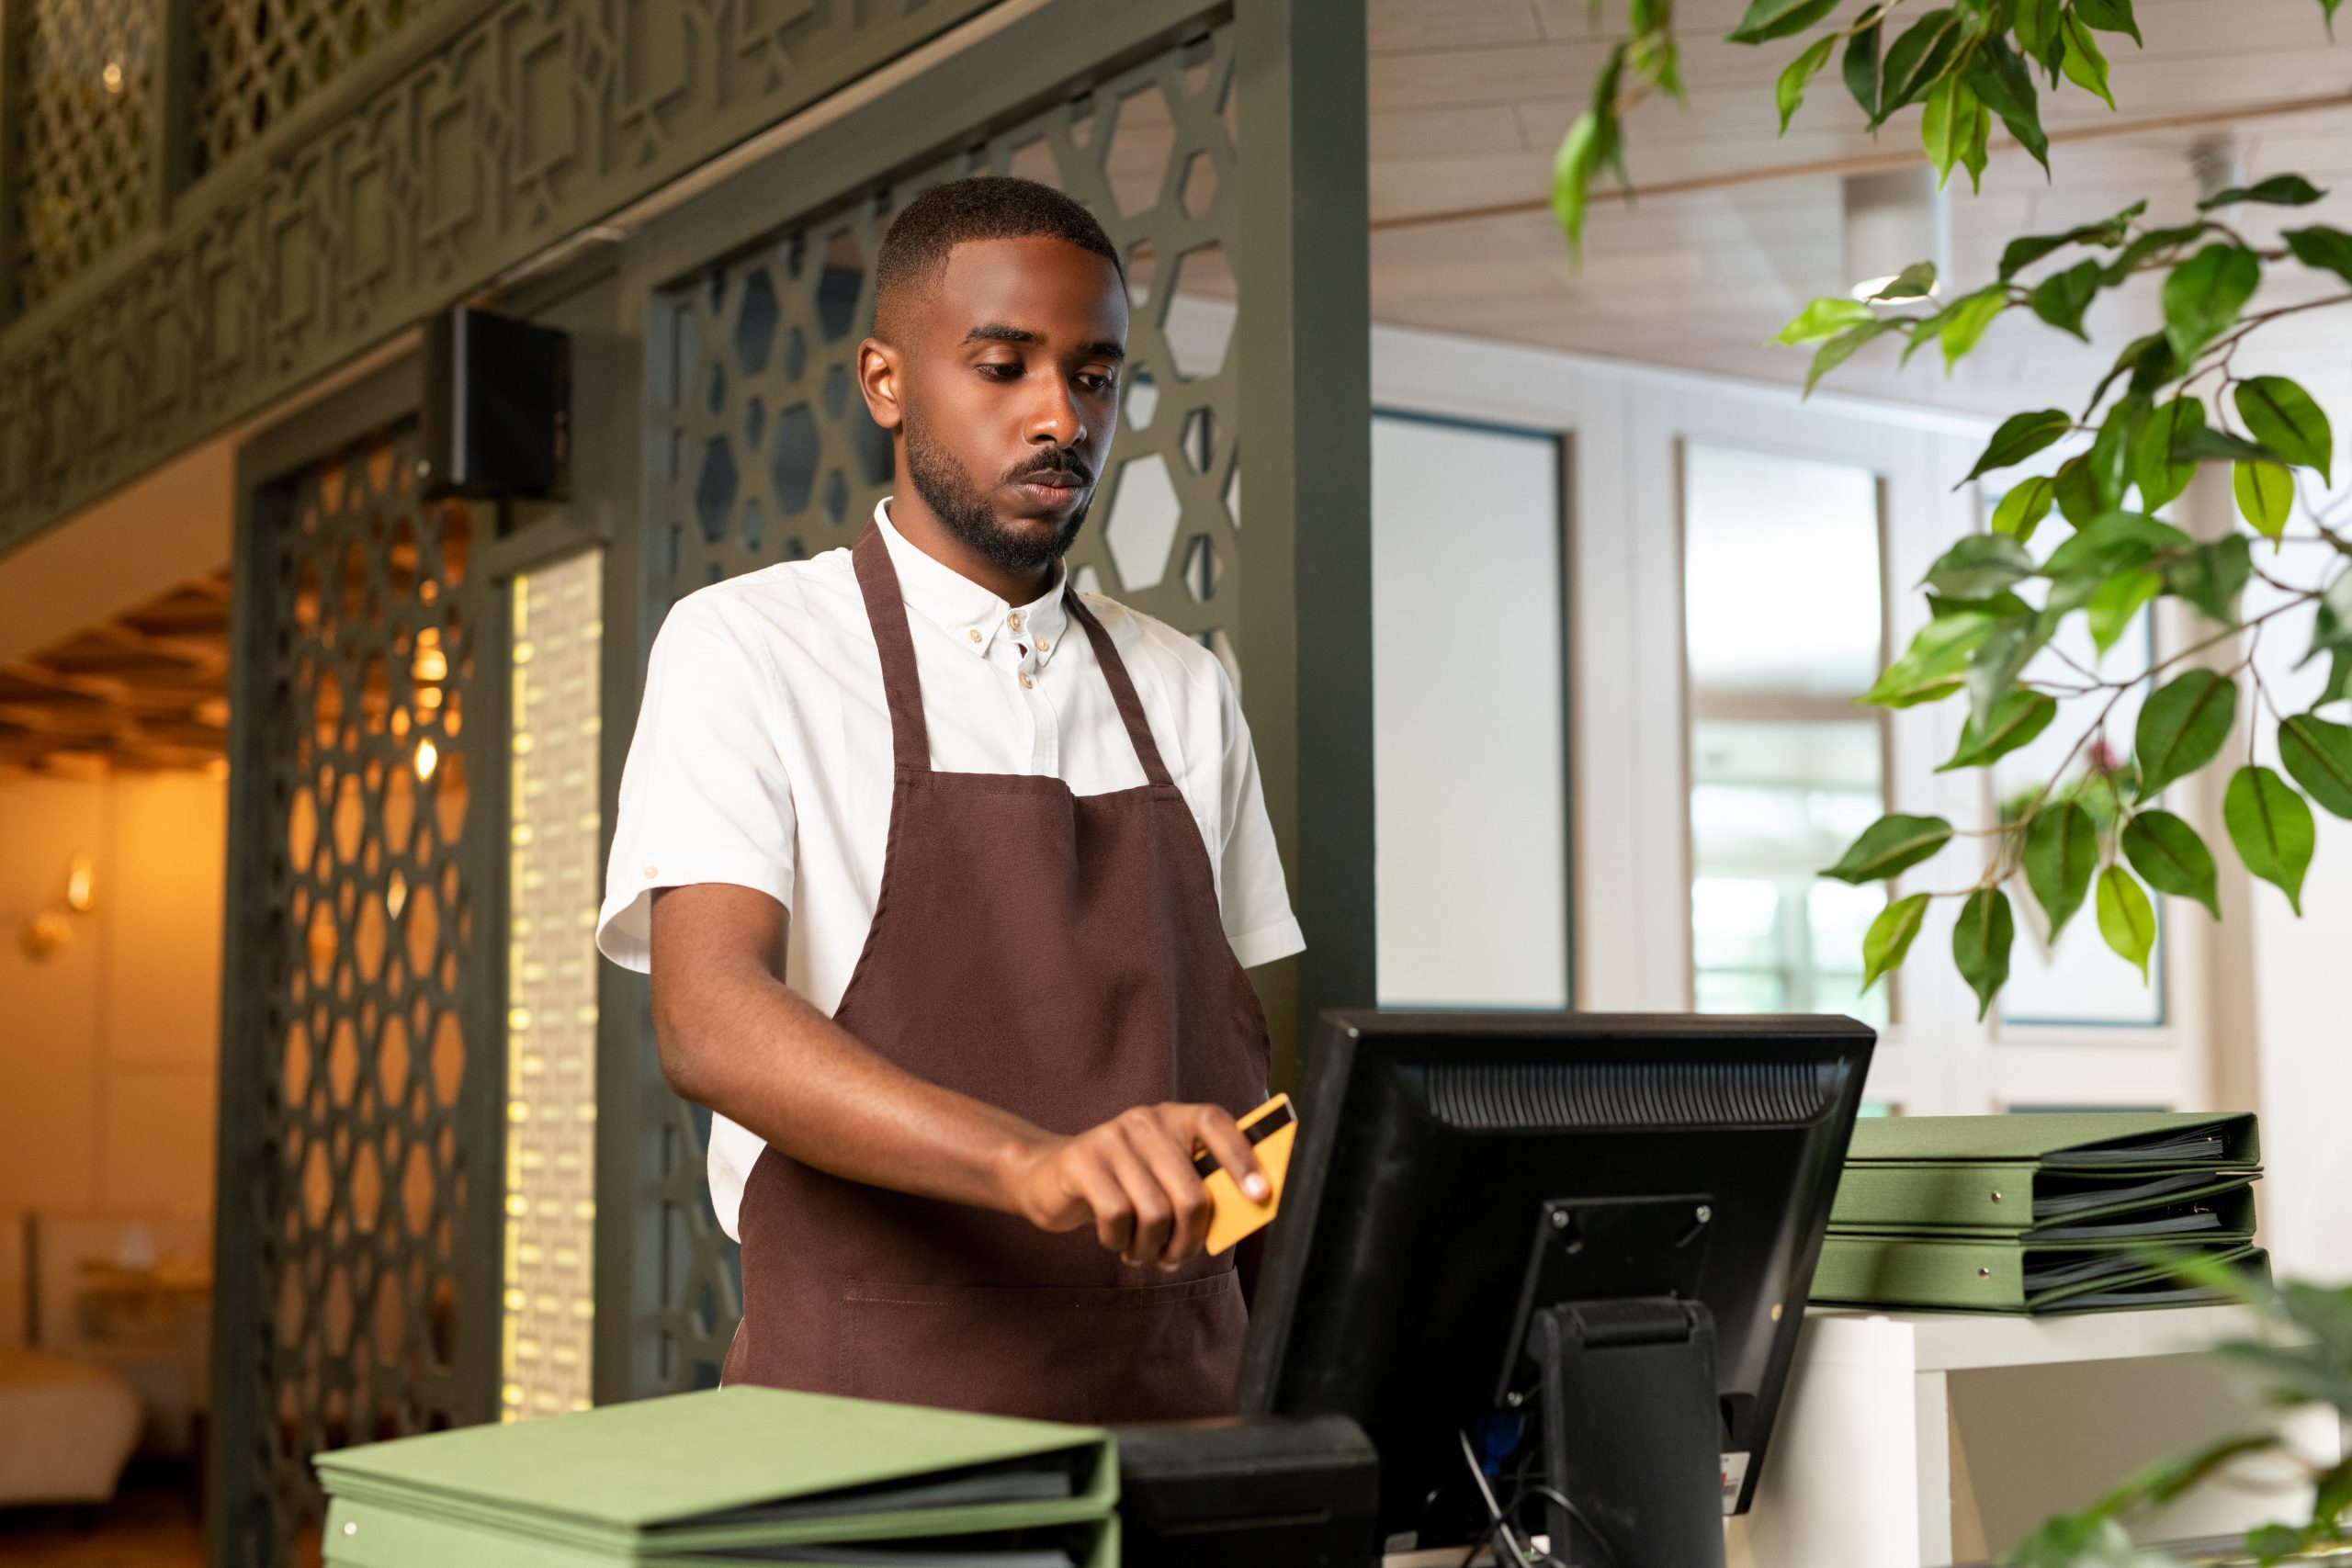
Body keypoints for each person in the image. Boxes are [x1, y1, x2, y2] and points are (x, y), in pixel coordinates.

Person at [595, 176, 1303, 1423]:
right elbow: (707, 1017)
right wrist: (1035, 1164)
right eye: (1002, 367)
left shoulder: (1186, 690)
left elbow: (1249, 1084)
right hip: (868, 1432)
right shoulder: (748, 647)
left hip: (1184, 1420)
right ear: (885, 381)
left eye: (1092, 376)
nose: (1058, 415)